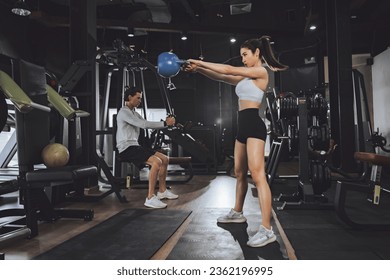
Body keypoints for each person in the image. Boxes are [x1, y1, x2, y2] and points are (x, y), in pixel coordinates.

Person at [184, 36, 288, 247]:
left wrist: (200, 61)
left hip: (254, 126)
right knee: (239, 172)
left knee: (258, 176)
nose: (242, 59)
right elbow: (221, 77)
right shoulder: (245, 78)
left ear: (257, 53)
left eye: (245, 55)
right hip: (242, 126)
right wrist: (199, 70)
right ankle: (237, 212)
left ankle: (267, 230)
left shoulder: (260, 72)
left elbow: (228, 70)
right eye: (241, 55)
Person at [116, 86, 178, 209]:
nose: (140, 101)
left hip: (134, 146)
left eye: (140, 98)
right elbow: (143, 125)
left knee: (165, 159)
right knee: (157, 162)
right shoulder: (124, 112)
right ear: (129, 97)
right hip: (126, 148)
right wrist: (165, 123)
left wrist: (165, 124)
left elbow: (146, 122)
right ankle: (150, 198)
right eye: (138, 98)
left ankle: (162, 191)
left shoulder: (134, 112)